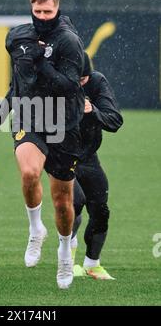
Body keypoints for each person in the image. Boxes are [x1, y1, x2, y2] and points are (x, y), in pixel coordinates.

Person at [0, 0, 85, 289]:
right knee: (30, 172)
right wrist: (6, 105)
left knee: (62, 202)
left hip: (64, 122)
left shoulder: (69, 42)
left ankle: (63, 252)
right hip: (30, 114)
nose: (43, 16)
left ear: (57, 9)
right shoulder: (17, 37)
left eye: (48, 12)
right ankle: (35, 230)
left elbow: (69, 86)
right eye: (38, 11)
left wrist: (42, 62)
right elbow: (18, 76)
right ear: (31, 7)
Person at [71, 52, 123, 280]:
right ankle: (67, 261)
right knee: (75, 202)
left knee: (101, 210)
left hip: (89, 156)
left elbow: (115, 120)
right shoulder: (54, 83)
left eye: (85, 79)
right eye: (78, 80)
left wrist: (93, 112)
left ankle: (92, 264)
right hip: (62, 155)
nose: (82, 83)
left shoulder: (97, 81)